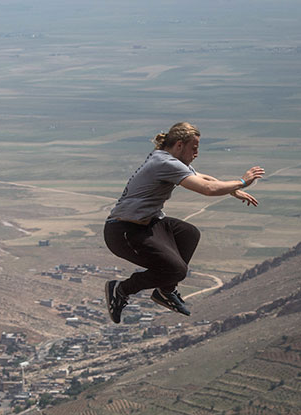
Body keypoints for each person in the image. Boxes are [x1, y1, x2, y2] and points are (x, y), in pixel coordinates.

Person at [103, 122, 265, 323]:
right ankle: (121, 290)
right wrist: (242, 181)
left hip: (146, 224)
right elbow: (207, 189)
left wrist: (231, 190)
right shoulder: (165, 163)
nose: (196, 153)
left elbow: (201, 177)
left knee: (188, 233)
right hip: (123, 231)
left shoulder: (166, 158)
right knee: (176, 270)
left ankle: (165, 290)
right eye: (194, 148)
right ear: (179, 145)